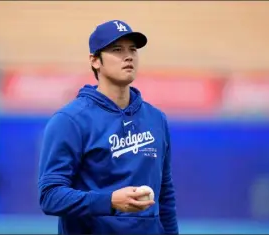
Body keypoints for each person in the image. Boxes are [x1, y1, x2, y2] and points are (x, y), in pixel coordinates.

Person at [38, 20, 179, 235]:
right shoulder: (70, 120)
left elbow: (165, 194)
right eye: (117, 50)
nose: (128, 56)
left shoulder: (156, 118)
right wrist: (110, 201)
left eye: (133, 49)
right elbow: (50, 196)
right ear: (95, 61)